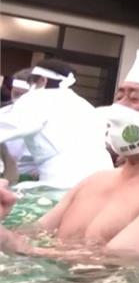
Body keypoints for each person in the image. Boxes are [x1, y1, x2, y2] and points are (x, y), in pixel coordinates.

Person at [0, 50, 139, 258]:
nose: (119, 108)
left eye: (135, 99)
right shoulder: (96, 181)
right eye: (120, 97)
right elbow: (32, 236)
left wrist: (14, 245)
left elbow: (109, 272)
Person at [0, 60, 112, 189]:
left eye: (31, 81)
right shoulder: (85, 105)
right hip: (104, 182)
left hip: (63, 182)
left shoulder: (39, 99)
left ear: (43, 80)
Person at [0, 69, 33, 183]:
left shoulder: (48, 118)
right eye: (16, 93)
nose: (19, 99)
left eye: (24, 95)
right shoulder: (3, 114)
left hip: (32, 178)